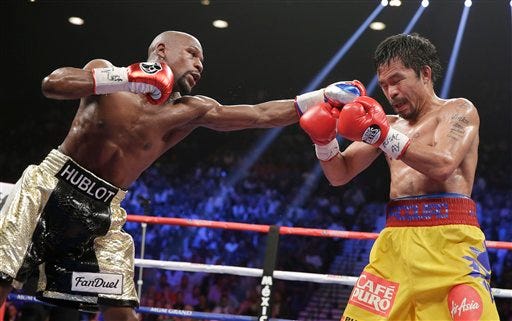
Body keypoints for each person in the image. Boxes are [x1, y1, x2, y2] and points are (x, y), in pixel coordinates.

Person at [0, 30, 366, 321]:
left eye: (202, 59)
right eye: (192, 53)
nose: (200, 64)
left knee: (120, 308)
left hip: (103, 212)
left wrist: (323, 97)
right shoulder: (107, 73)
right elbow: (54, 83)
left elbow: (259, 114)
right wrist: (124, 78)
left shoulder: (190, 110)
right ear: (160, 51)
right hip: (49, 188)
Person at [299, 33, 500, 321]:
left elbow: (443, 165)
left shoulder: (458, 110)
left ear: (425, 74)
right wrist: (324, 141)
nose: (390, 92)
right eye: (383, 85)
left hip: (450, 245)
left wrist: (382, 135)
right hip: (394, 246)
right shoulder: (389, 124)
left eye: (397, 80)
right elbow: (339, 174)